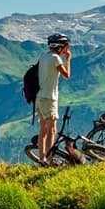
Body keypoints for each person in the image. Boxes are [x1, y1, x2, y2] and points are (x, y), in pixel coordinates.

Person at [36, 32, 71, 165]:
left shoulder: (44, 57)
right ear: (60, 47)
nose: (67, 50)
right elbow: (66, 75)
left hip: (40, 97)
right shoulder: (55, 58)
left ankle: (41, 159)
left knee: (43, 129)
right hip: (50, 98)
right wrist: (68, 59)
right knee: (51, 130)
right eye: (66, 47)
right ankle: (50, 159)